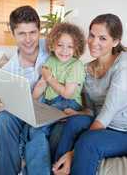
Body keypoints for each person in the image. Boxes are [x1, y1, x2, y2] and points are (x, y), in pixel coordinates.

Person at [53, 13, 127, 175]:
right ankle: (56, 170)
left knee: (87, 142)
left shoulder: (123, 65)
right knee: (73, 122)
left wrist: (72, 155)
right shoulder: (87, 69)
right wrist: (78, 113)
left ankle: (66, 162)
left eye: (102, 38)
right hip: (102, 124)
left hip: (123, 131)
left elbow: (107, 113)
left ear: (115, 41)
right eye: (92, 35)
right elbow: (92, 109)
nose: (94, 42)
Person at [0, 5, 50, 175]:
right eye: (21, 33)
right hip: (25, 114)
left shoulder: (53, 48)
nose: (28, 39)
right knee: (4, 118)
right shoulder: (8, 71)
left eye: (32, 32)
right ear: (13, 34)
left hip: (53, 110)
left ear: (39, 31)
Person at [33, 22, 86, 113]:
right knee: (31, 122)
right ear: (53, 44)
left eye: (70, 46)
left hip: (69, 102)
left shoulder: (76, 65)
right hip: (49, 101)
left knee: (40, 122)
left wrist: (49, 78)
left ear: (76, 48)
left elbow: (67, 94)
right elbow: (41, 84)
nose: (64, 50)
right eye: (60, 45)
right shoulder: (51, 60)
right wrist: (32, 101)